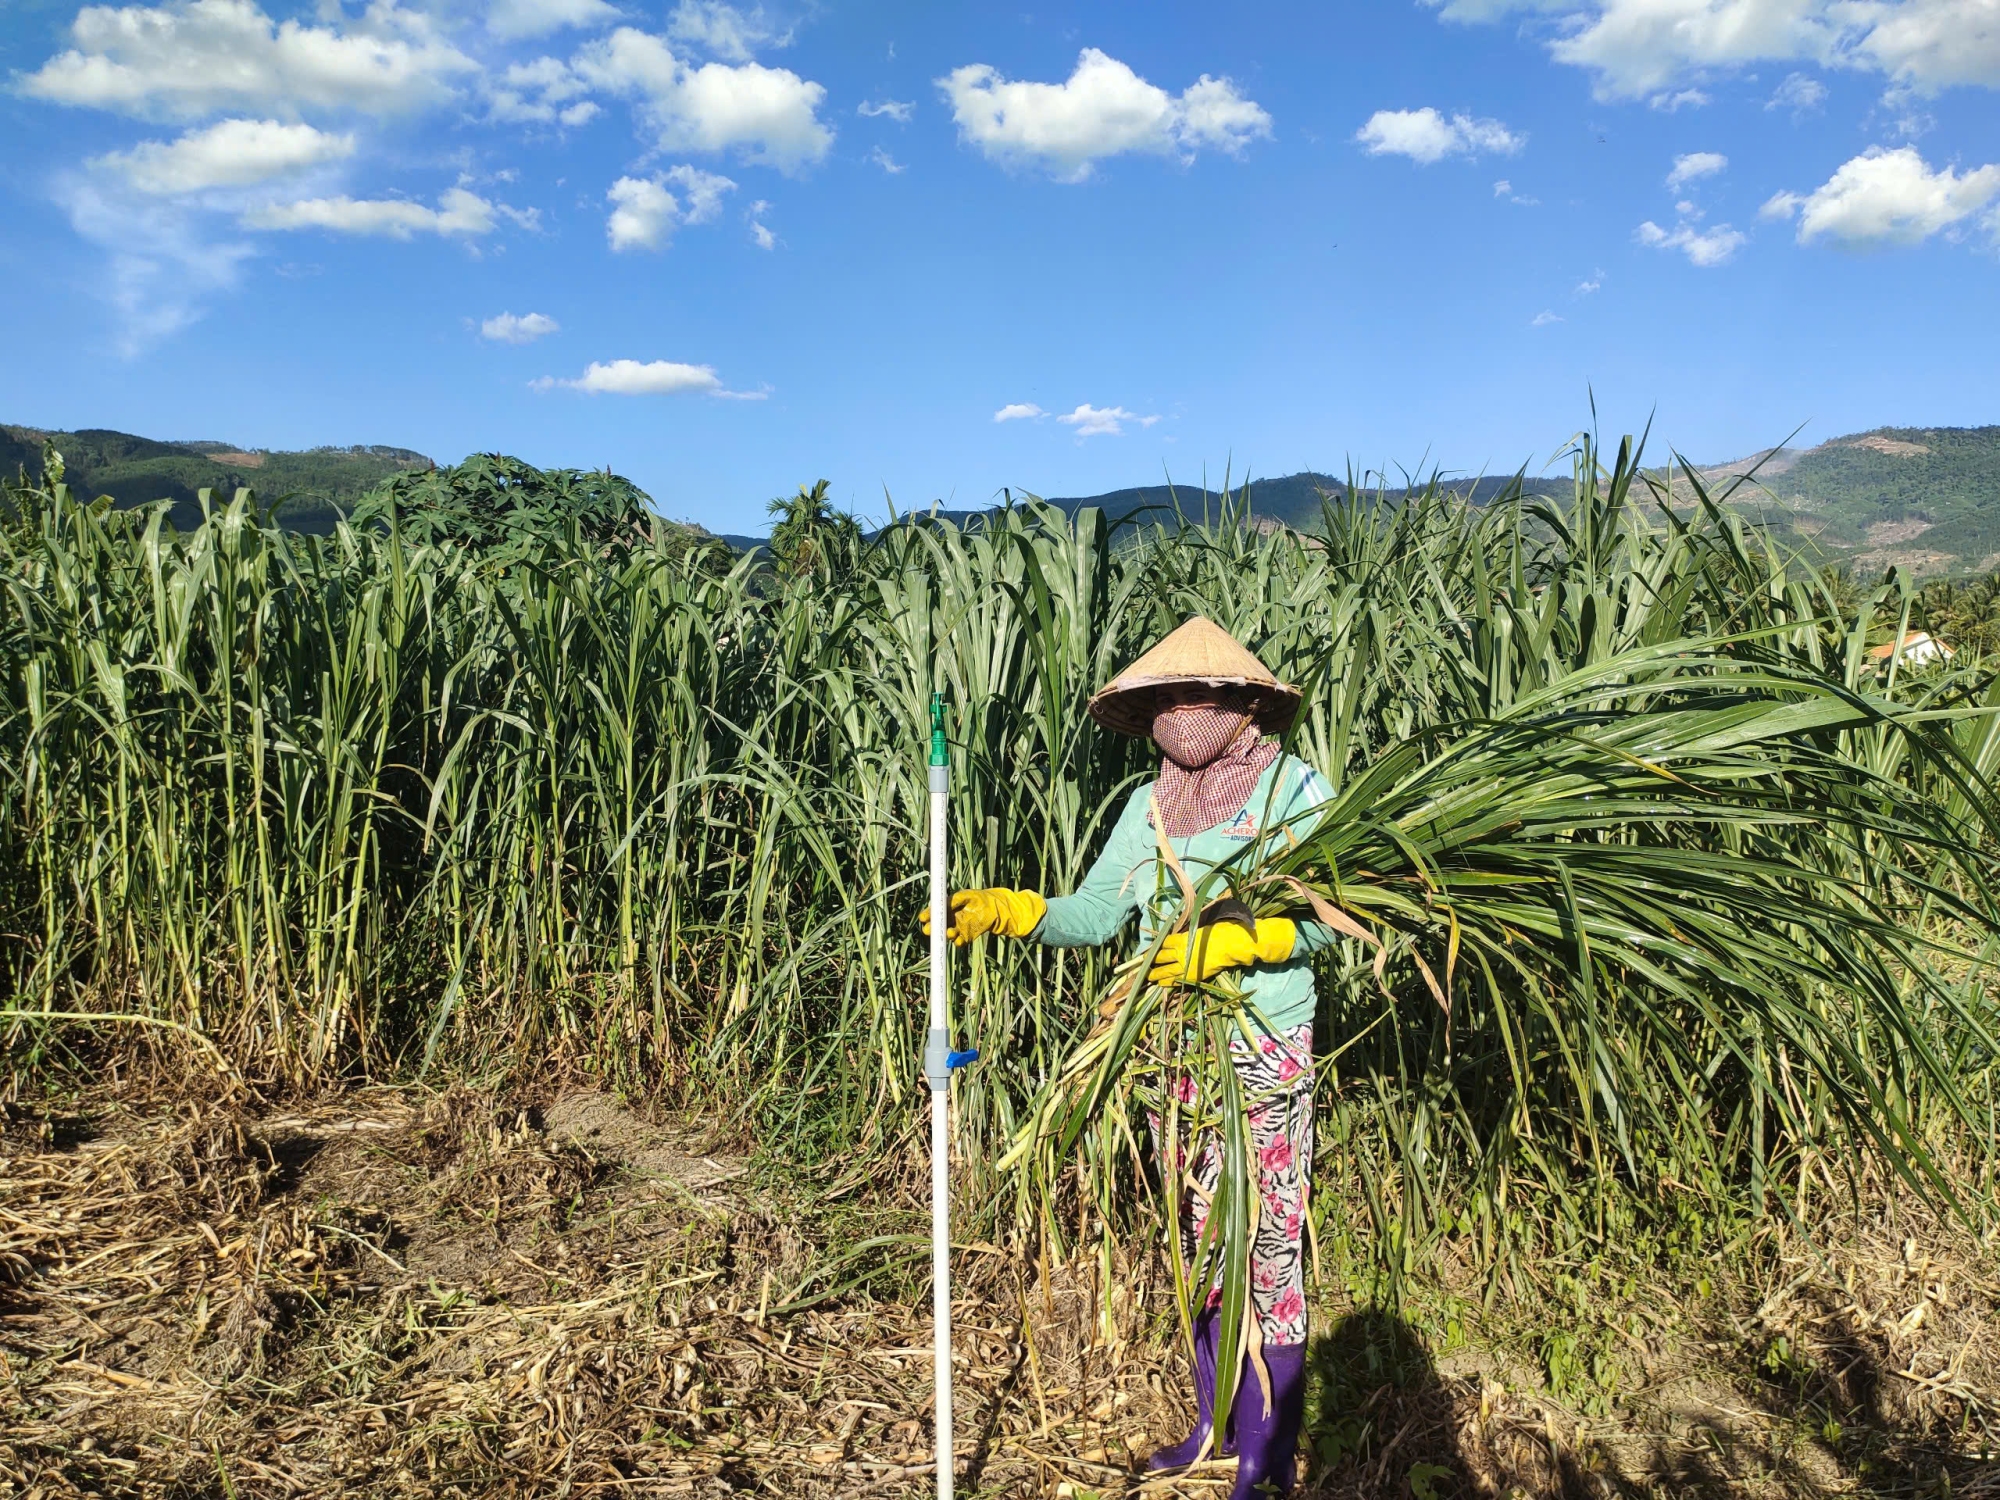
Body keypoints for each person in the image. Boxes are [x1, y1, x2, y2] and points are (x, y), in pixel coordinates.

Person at [924, 616, 1336, 1500]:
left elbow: (1335, 925)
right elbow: (1097, 914)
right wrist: (1013, 911)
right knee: (1194, 1242)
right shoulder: (1145, 805)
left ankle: (1269, 1453)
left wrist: (1245, 941)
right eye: (1168, 699)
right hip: (1164, 1055)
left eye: (1205, 695)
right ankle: (1213, 1426)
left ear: (1245, 703)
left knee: (1265, 1248)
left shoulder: (1296, 793)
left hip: (1261, 1052)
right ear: (1147, 711)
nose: (1185, 713)